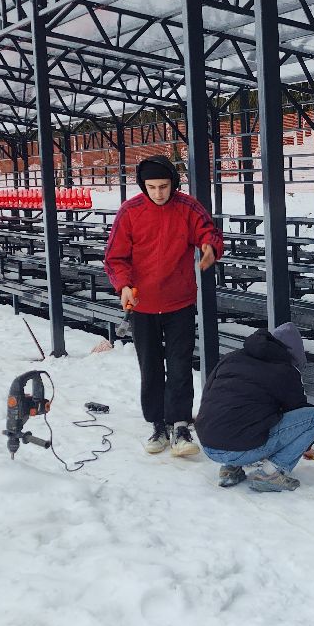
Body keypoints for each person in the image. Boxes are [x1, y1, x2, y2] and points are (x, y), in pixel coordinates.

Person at [103, 155, 224, 456]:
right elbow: (115, 257)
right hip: (142, 304)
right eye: (152, 187)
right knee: (151, 366)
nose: (158, 193)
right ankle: (158, 423)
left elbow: (208, 231)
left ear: (174, 183)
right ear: (143, 186)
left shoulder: (187, 207)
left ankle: (181, 424)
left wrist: (210, 247)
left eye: (164, 186)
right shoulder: (129, 212)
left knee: (181, 365)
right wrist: (124, 285)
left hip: (179, 301)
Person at [195, 323, 314, 492]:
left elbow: (210, 396)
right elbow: (297, 411)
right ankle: (271, 474)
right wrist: (305, 446)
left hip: (209, 444)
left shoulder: (231, 357)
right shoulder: (285, 371)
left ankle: (230, 468)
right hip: (238, 446)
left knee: (239, 407)